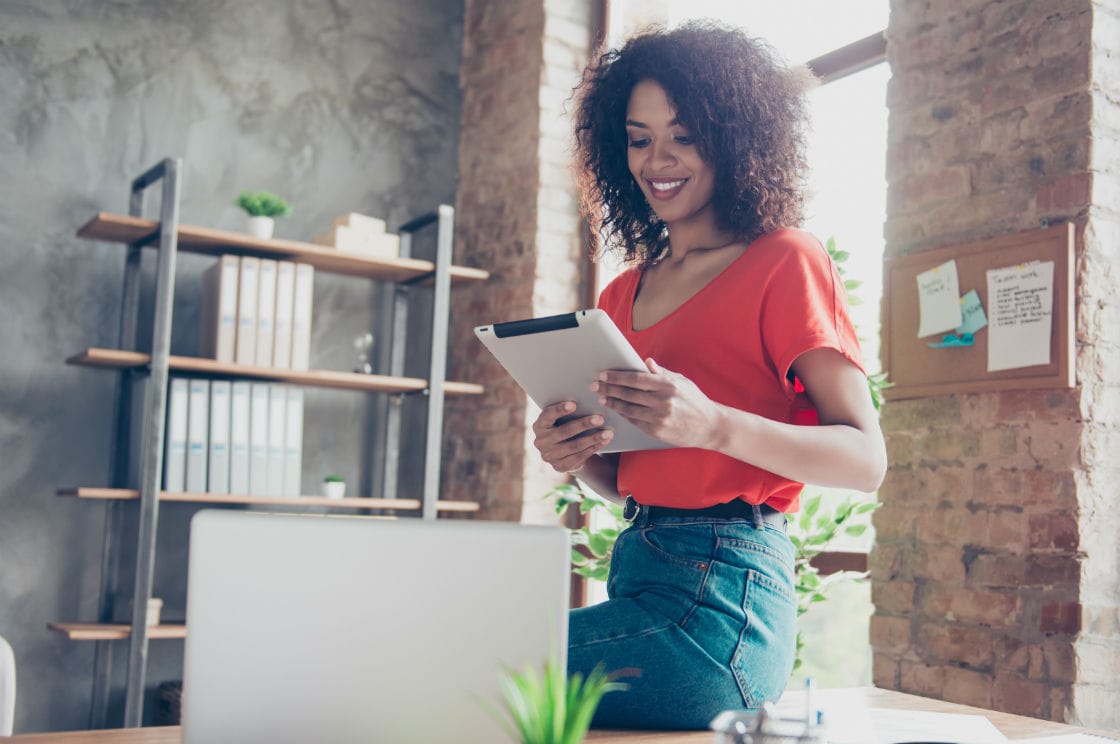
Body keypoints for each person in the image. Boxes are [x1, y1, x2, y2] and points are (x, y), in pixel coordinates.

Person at [531, 21, 888, 730]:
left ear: (733, 136)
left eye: (684, 135)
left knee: (470, 659)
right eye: (639, 138)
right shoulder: (618, 300)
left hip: (724, 608)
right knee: (470, 664)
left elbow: (866, 460)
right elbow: (632, 477)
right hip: (639, 575)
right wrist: (576, 457)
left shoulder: (784, 261)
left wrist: (713, 422)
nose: (657, 159)